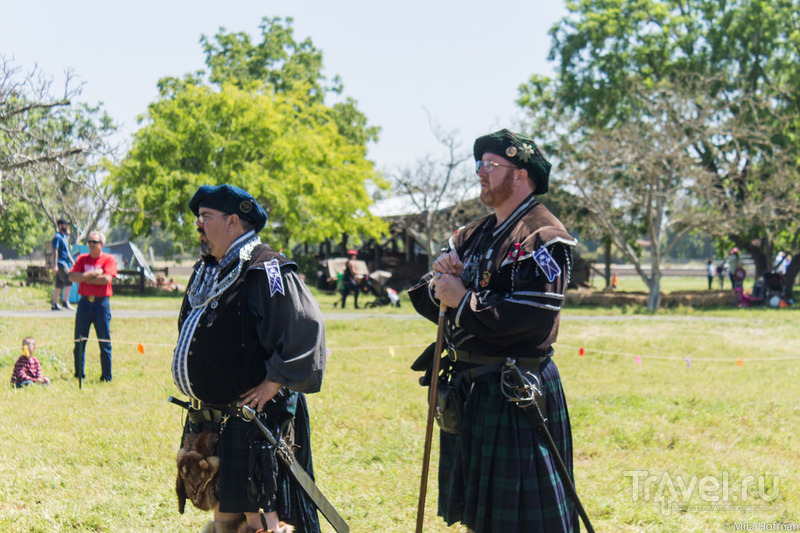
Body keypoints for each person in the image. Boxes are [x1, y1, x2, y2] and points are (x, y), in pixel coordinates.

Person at [408, 129, 578, 532]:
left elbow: (532, 315)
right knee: (481, 516)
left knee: (522, 520)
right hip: (472, 390)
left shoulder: (543, 237)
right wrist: (440, 284)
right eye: (480, 165)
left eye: (491, 165)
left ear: (520, 175)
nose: (481, 173)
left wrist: (463, 298)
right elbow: (432, 294)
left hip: (513, 387)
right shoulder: (473, 234)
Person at [172, 184, 326, 533]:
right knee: (227, 510)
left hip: (255, 414)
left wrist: (273, 381)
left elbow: (305, 326)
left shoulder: (267, 267)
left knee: (261, 515)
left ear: (233, 222)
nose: (198, 224)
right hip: (217, 412)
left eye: (206, 217)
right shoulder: (207, 268)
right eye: (198, 217)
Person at [69, 231, 117, 383]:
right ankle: (79, 374)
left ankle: (106, 376)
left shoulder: (109, 259)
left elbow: (106, 280)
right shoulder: (82, 258)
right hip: (83, 303)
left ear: (101, 244)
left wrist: (84, 277)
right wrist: (95, 273)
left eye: (94, 242)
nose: (91, 244)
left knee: (104, 341)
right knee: (79, 340)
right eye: (89, 241)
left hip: (101, 304)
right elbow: (72, 277)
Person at [51, 218, 75, 311]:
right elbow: (55, 250)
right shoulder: (57, 236)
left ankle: (54, 304)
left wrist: (72, 260)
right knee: (69, 280)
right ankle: (65, 302)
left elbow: (67, 251)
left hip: (65, 262)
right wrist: (55, 264)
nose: (67, 226)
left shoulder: (64, 237)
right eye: (65, 224)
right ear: (60, 225)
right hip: (60, 263)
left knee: (58, 284)